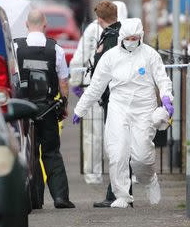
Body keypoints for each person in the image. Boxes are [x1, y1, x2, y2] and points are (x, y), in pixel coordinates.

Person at [72, 18, 174, 208]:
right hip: (118, 107)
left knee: (142, 157)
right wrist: (81, 108)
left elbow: (162, 79)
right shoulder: (110, 57)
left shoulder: (150, 55)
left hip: (144, 108)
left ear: (141, 37)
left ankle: (149, 179)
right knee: (117, 153)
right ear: (122, 37)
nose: (131, 40)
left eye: (135, 37)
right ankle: (122, 195)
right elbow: (96, 86)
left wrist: (167, 97)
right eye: (128, 37)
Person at [15, 9, 75, 209]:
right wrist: (64, 103)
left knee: (29, 154)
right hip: (48, 108)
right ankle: (60, 197)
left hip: (23, 109)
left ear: (26, 24)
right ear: (45, 24)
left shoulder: (16, 47)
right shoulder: (55, 49)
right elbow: (63, 81)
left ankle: (35, 199)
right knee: (51, 152)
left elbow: (11, 75)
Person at [69, 0, 127, 184]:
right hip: (121, 88)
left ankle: (93, 174)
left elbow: (79, 58)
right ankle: (125, 173)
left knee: (93, 134)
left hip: (93, 86)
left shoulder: (92, 30)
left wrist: (75, 82)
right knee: (124, 132)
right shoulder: (128, 31)